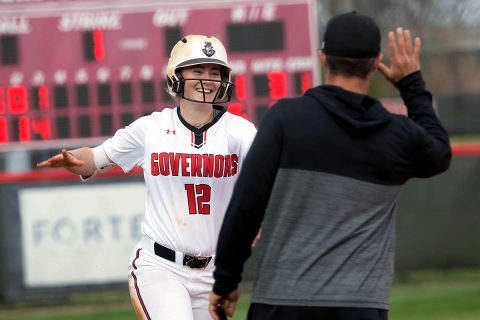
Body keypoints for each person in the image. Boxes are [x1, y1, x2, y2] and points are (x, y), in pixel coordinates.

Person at [209, 12, 451, 320]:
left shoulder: (285, 119)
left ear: (323, 57)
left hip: (283, 303)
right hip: (360, 307)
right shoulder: (398, 136)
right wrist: (411, 84)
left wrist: (226, 281)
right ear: (377, 61)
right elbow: (440, 152)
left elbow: (247, 205)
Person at [37, 34, 257, 320]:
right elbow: (96, 158)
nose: (208, 78)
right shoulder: (151, 128)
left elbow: (263, 182)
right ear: (176, 77)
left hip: (215, 271)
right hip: (161, 266)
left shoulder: (240, 131)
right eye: (197, 70)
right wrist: (74, 159)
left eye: (215, 72)